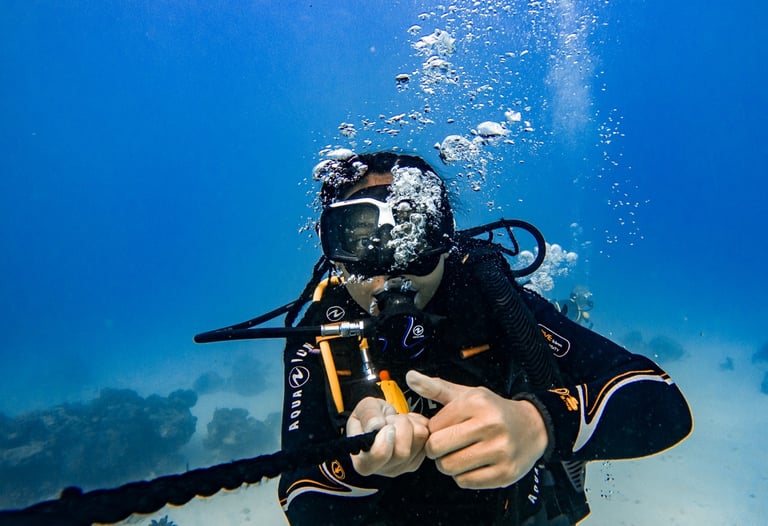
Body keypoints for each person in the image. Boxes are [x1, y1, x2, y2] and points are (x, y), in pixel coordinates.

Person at [277, 151, 692, 525]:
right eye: (360, 239)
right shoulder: (319, 331)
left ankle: (570, 311)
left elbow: (662, 401)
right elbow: (299, 494)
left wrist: (538, 424)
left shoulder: (488, 296)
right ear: (333, 253)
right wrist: (356, 464)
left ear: (445, 239)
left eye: (414, 234)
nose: (392, 266)